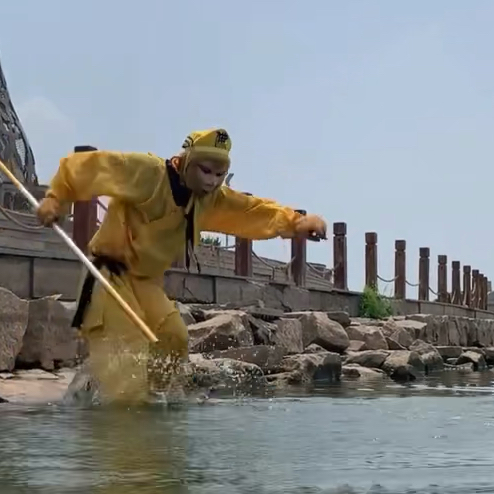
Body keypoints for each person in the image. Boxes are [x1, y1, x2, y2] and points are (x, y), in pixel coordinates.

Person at [36, 129, 327, 404]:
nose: (212, 181)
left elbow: (251, 209)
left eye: (219, 174)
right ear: (187, 161)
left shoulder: (210, 200)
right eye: (205, 171)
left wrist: (297, 222)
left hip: (145, 283)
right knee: (128, 362)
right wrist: (56, 197)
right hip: (108, 278)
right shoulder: (148, 173)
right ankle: (118, 406)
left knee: (174, 337)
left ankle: (153, 400)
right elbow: (95, 167)